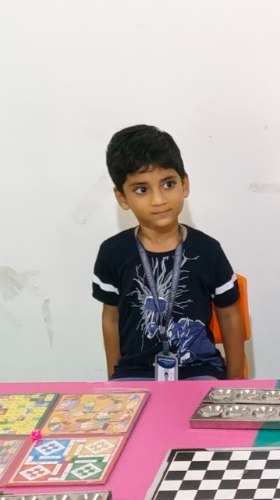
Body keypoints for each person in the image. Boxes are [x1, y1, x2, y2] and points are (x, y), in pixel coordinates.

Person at [93, 125, 244, 381]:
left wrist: (236, 381)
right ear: (122, 198)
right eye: (142, 189)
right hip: (134, 373)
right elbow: (111, 319)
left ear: (184, 184)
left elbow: (229, 315)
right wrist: (115, 381)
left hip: (200, 371)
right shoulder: (112, 252)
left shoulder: (207, 250)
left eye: (168, 184)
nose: (158, 200)